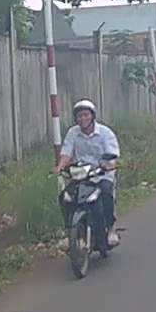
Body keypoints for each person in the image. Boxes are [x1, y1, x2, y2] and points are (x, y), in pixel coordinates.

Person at [54, 99, 121, 247]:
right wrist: (60, 167)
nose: (83, 119)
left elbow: (112, 155)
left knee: (106, 194)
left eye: (86, 115)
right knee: (65, 197)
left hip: (102, 175)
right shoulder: (73, 133)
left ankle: (111, 229)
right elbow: (66, 154)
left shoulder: (105, 133)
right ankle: (71, 232)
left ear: (92, 116)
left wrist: (107, 164)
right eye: (79, 116)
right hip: (81, 176)